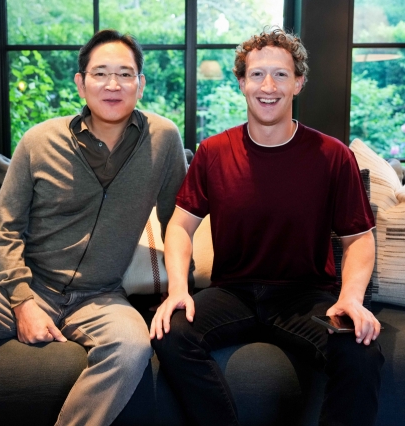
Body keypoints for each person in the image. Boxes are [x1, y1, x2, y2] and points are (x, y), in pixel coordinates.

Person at [0, 29, 187, 426]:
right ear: (80, 82)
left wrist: (179, 286)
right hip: (28, 283)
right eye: (100, 73)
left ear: (140, 84)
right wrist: (23, 302)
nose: (113, 85)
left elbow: (176, 219)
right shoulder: (40, 140)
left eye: (126, 74)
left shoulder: (163, 139)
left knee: (131, 347)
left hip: (101, 295)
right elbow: (5, 227)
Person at [150, 27, 384, 426]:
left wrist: (352, 298)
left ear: (299, 82)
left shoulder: (332, 156)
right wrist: (176, 291)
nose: (268, 85)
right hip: (233, 293)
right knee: (170, 334)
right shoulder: (213, 152)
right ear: (241, 82)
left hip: (305, 295)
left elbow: (359, 237)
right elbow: (179, 226)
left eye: (281, 74)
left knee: (360, 353)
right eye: (257, 74)